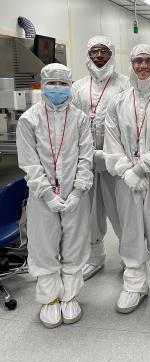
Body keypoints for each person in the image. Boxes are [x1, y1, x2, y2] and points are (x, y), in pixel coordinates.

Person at [103, 44, 150, 317]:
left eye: (149, 61)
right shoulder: (118, 102)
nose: (143, 66)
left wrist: (140, 170)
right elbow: (111, 142)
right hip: (125, 181)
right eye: (138, 61)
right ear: (131, 64)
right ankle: (135, 285)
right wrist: (126, 170)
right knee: (131, 232)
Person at [16, 63, 93, 328]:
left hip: (75, 194)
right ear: (42, 85)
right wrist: (48, 194)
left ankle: (70, 296)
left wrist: (79, 190)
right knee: (44, 246)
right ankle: (49, 299)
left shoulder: (81, 119)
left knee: (74, 243)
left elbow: (86, 157)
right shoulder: (29, 119)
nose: (57, 89)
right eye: (52, 83)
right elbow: (29, 162)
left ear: (70, 86)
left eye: (63, 84)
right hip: (41, 196)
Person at [72, 36, 129, 281]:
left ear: (111, 54)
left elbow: (130, 123)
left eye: (103, 51)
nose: (98, 56)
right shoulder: (78, 86)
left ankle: (130, 257)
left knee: (121, 210)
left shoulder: (125, 84)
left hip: (115, 159)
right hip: (85, 159)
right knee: (90, 211)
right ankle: (95, 256)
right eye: (93, 51)